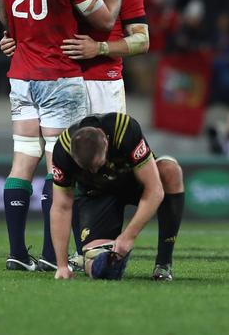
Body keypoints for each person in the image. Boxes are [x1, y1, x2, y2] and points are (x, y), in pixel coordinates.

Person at [0, 0, 151, 258]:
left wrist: (100, 49)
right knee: (63, 166)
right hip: (63, 80)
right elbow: (29, 15)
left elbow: (142, 40)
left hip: (104, 84)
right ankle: (59, 251)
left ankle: (97, 243)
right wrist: (13, 37)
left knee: (105, 166)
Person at [50, 112, 185, 281]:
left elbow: (154, 190)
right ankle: (103, 258)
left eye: (97, 165)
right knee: (101, 268)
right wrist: (62, 266)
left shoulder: (124, 129)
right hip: (98, 194)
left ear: (106, 143)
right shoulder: (62, 151)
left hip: (133, 181)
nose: (94, 171)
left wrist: (129, 236)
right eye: (87, 168)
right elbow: (61, 207)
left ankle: (163, 264)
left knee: (170, 171)